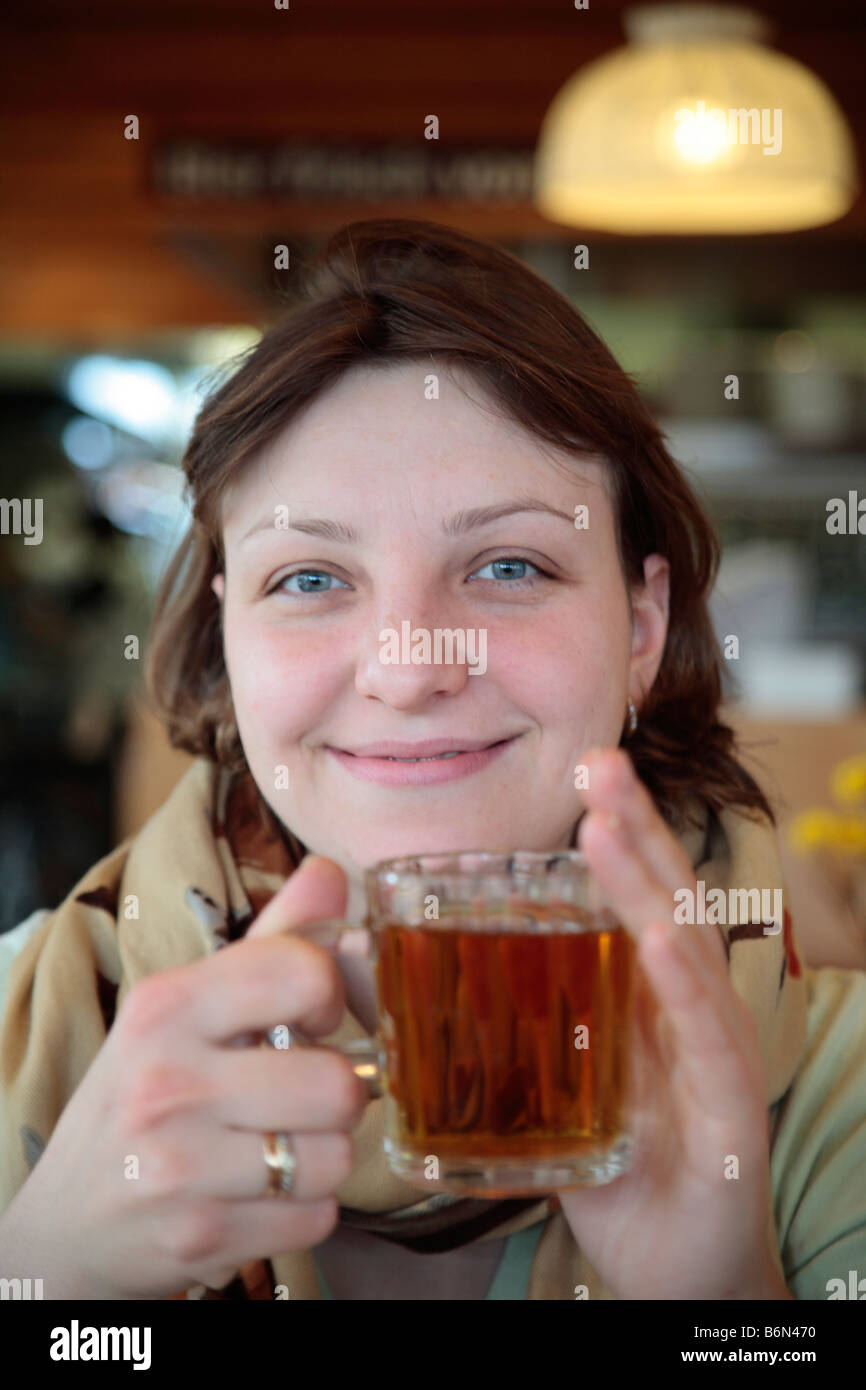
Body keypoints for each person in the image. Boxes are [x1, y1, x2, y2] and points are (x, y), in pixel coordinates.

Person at [0, 219, 864, 1301]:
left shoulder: (843, 1090)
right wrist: (39, 1283)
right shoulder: (18, 1024)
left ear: (640, 627)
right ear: (229, 635)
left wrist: (721, 1298)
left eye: (507, 563)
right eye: (310, 578)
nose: (408, 668)